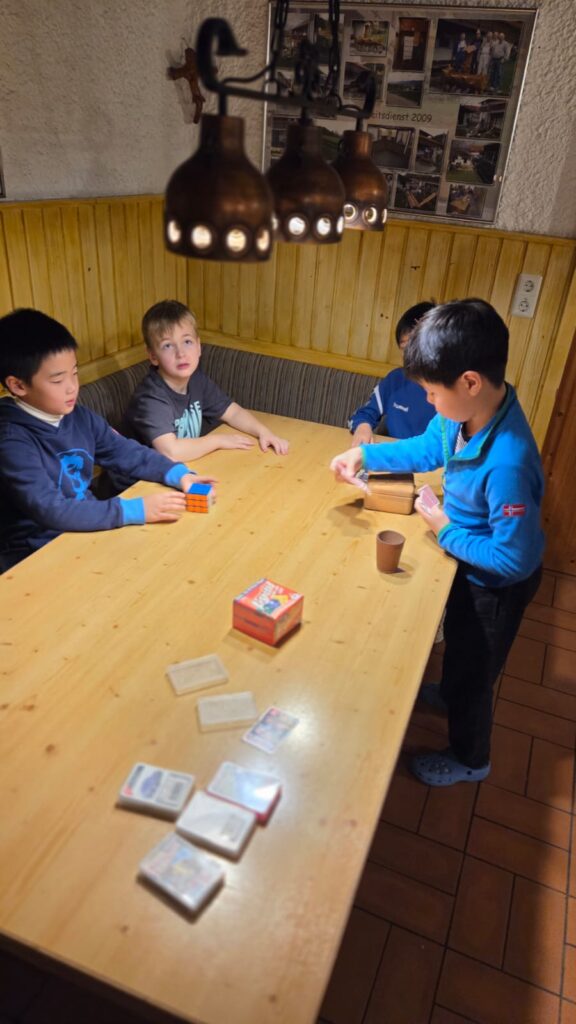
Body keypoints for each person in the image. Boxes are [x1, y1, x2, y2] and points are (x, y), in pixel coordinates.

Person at [330, 299, 544, 787]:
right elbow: (429, 448)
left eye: (431, 392)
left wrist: (445, 529)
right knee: (461, 650)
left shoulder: (509, 461)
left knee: (475, 673)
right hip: (467, 558)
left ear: (469, 382)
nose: (427, 401)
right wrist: (364, 455)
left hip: (498, 584)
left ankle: (471, 758)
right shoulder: (461, 413)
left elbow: (511, 559)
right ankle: (448, 692)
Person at [0, 308, 215, 572]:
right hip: (36, 553)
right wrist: (132, 510)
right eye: (57, 380)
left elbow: (126, 452)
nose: (72, 387)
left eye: (74, 373)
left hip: (89, 528)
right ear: (18, 385)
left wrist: (178, 474)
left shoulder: (78, 416)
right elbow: (50, 509)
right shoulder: (11, 440)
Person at [124, 300, 289, 460]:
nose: (180, 353)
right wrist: (218, 441)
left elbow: (233, 412)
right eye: (168, 345)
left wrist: (264, 432)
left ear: (198, 347)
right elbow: (171, 452)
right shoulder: (150, 398)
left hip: (182, 469)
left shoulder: (196, 380)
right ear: (153, 356)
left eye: (187, 342)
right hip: (141, 477)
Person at [348, 302, 436, 444]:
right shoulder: (396, 379)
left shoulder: (448, 389)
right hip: (393, 453)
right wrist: (363, 426)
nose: (410, 354)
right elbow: (363, 414)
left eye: (417, 345)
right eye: (405, 348)